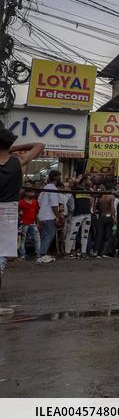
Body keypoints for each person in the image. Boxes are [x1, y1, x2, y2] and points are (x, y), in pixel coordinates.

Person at [0, 130, 43, 315]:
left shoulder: (16, 160)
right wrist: (9, 149)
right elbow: (39, 146)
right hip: (8, 211)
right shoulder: (17, 162)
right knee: (0, 258)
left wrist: (8, 148)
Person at [64, 176, 94, 259]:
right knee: (72, 233)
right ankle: (67, 252)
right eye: (88, 179)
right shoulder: (75, 189)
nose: (90, 181)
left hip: (87, 214)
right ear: (84, 180)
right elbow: (73, 184)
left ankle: (83, 252)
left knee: (85, 234)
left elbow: (94, 199)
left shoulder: (88, 191)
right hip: (78, 215)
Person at [92, 184, 116, 258]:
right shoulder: (111, 197)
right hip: (109, 216)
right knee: (110, 235)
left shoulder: (101, 197)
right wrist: (114, 217)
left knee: (100, 235)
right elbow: (112, 209)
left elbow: (95, 209)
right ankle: (106, 252)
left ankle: (97, 252)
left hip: (101, 216)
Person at [17, 187, 40, 259]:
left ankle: (38, 254)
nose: (33, 193)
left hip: (33, 222)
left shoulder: (35, 201)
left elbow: (36, 212)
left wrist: (37, 222)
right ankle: (23, 255)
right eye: (31, 192)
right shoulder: (21, 202)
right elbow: (18, 213)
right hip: (24, 223)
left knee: (37, 239)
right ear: (26, 193)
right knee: (23, 240)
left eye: (33, 192)